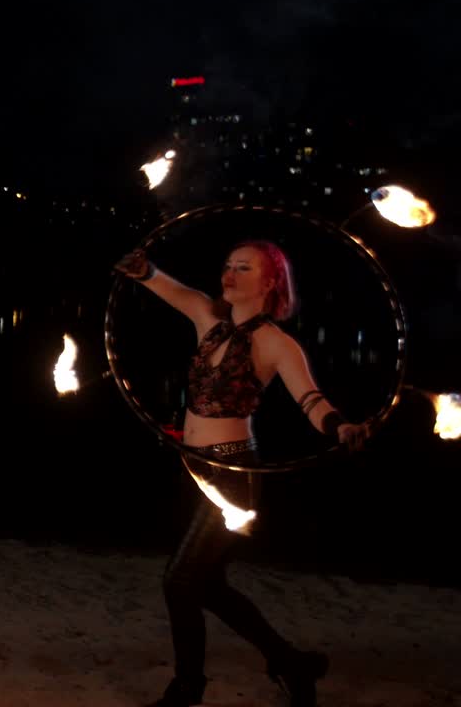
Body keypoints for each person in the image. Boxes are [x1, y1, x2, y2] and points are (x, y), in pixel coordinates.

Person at [114, 240, 369, 707]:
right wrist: (141, 269)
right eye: (227, 265)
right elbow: (167, 287)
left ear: (270, 282)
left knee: (179, 580)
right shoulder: (209, 319)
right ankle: (291, 663)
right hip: (195, 466)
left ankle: (188, 687)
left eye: (243, 268)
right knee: (206, 583)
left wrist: (341, 426)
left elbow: (310, 400)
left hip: (232, 476)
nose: (229, 274)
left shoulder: (276, 343)